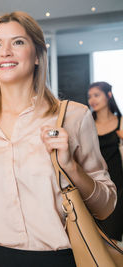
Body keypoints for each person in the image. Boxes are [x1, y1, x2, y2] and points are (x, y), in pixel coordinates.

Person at [0, 11, 117, 267]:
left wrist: (72, 168)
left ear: (38, 56)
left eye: (18, 42)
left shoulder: (74, 117)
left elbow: (106, 206)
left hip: (57, 260)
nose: (5, 51)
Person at [88, 81, 123, 243]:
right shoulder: (87, 124)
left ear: (108, 95)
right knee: (94, 240)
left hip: (118, 187)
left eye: (96, 95)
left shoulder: (121, 122)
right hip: (94, 187)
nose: (92, 100)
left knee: (111, 241)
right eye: (89, 96)